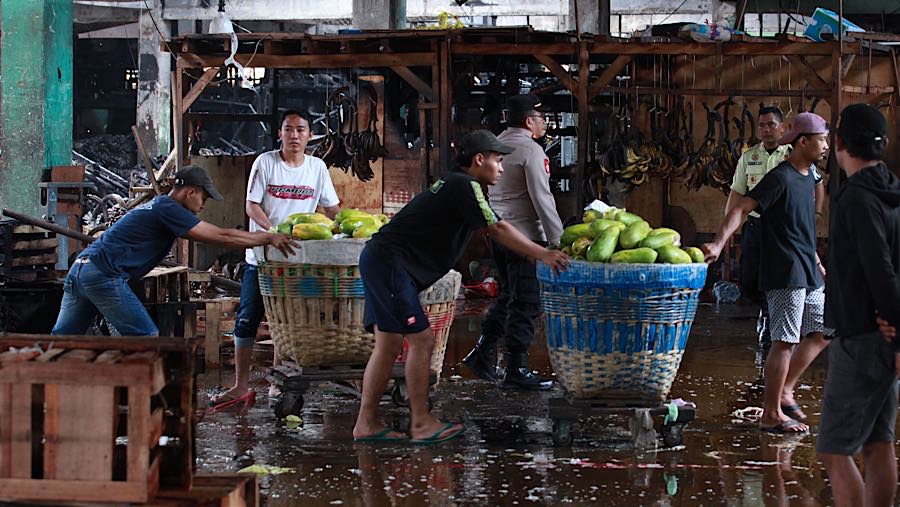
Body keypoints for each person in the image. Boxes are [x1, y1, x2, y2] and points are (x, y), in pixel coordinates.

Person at [352, 130, 569, 444]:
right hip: (389, 265)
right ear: (479, 159)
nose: (502, 168)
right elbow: (497, 227)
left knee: (388, 345)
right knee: (422, 341)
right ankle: (421, 423)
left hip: (382, 261)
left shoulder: (457, 185)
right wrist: (543, 253)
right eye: (498, 160)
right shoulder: (464, 184)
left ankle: (366, 424)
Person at [52, 165, 296, 337]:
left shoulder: (158, 206)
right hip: (102, 275)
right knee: (145, 338)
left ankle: (32, 391)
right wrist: (267, 238)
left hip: (80, 269)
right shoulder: (168, 208)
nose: (202, 206)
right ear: (191, 192)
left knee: (61, 341)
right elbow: (221, 236)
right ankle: (141, 403)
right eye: (204, 198)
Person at [702, 112, 830, 434]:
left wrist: (815, 258)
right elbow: (741, 208)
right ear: (803, 142)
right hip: (784, 269)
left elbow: (800, 226)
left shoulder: (808, 176)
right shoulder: (780, 177)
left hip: (807, 265)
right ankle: (771, 413)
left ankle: (785, 391)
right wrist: (719, 243)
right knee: (785, 340)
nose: (826, 146)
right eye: (821, 139)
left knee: (825, 329)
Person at [210, 109, 341, 408]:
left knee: (288, 323)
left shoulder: (317, 168)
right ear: (280, 133)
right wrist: (272, 233)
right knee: (247, 319)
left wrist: (352, 226)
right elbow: (251, 206)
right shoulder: (266, 163)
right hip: (262, 258)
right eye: (288, 129)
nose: (294, 135)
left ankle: (277, 382)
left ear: (309, 135)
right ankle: (240, 385)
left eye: (301, 130)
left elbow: (332, 209)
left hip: (297, 262)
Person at [816, 104, 900, 507]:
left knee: (835, 450)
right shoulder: (892, 190)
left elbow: (879, 269)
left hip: (862, 338)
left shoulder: (856, 199)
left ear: (839, 143)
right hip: (882, 334)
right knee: (877, 442)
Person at [462, 94, 563, 389]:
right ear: (529, 121)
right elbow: (542, 199)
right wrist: (555, 242)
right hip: (525, 238)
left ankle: (483, 350)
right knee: (526, 301)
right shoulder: (530, 150)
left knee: (508, 295)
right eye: (541, 118)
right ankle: (516, 368)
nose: (544, 123)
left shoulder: (498, 145)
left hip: (500, 235)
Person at [725, 106, 825, 352]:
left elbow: (817, 183)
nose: (766, 129)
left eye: (771, 124)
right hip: (756, 224)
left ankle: (773, 320)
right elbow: (737, 194)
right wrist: (726, 230)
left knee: (785, 283)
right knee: (749, 280)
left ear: (782, 127)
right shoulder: (749, 156)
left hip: (784, 229)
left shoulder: (794, 155)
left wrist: (816, 214)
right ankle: (770, 314)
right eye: (762, 125)